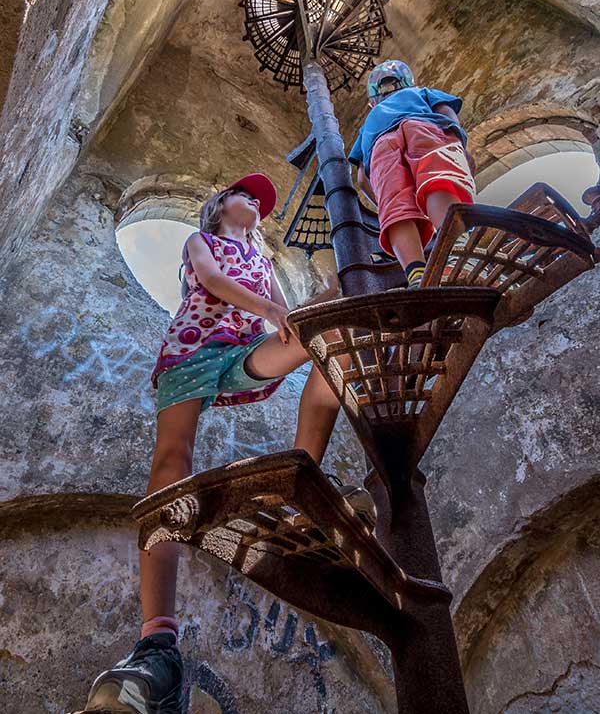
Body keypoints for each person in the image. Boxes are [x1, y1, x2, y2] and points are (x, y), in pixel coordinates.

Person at [80, 172, 373, 714]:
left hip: (243, 350)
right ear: (217, 207)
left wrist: (341, 284)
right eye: (245, 195)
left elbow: (294, 315)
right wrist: (271, 311)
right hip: (191, 350)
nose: (255, 204)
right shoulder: (202, 242)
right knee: (171, 463)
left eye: (260, 203)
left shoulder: (263, 263)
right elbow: (213, 282)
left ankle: (302, 482)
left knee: (329, 337)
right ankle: (157, 640)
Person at [348, 60, 476, 287]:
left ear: (371, 102)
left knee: (397, 214)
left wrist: (385, 203)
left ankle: (417, 275)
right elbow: (446, 113)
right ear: (408, 82)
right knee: (437, 183)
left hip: (380, 148)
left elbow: (361, 177)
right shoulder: (422, 93)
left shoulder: (369, 122)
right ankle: (460, 254)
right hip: (424, 126)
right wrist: (460, 145)